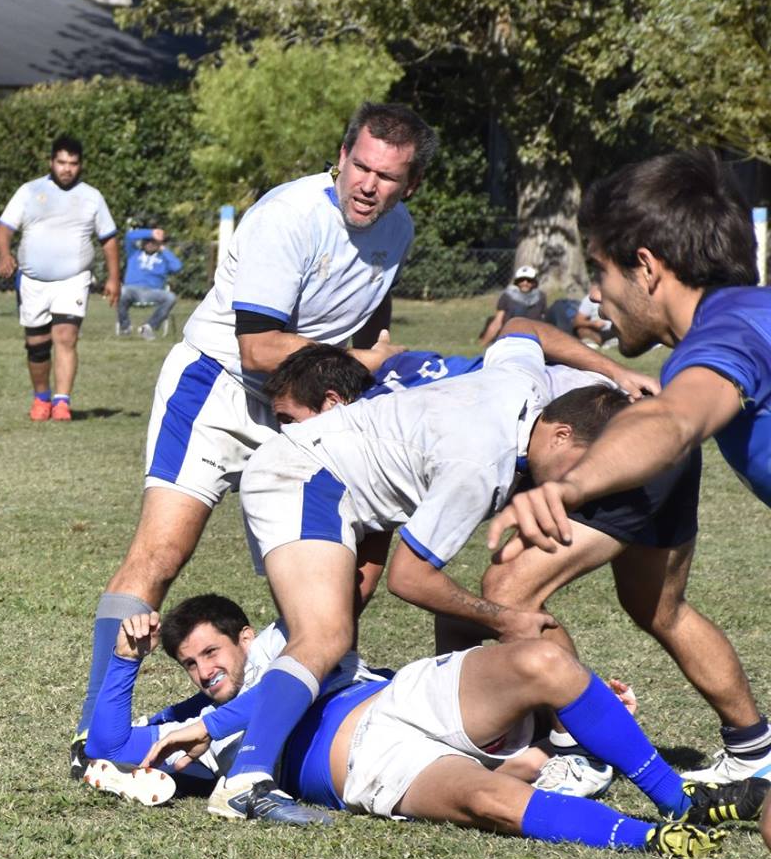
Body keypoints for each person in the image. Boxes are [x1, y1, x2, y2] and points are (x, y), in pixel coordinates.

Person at [71, 103, 434, 780]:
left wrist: (370, 371)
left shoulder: (400, 229)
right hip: (222, 389)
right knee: (161, 551)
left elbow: (371, 327)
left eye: (388, 176)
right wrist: (365, 359)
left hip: (305, 410)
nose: (368, 184)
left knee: (344, 579)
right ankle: (97, 731)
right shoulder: (290, 215)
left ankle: (263, 712)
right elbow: (261, 346)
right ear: (341, 154)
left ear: (409, 185)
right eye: (360, 165)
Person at [276, 335, 765, 796]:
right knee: (659, 607)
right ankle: (753, 749)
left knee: (508, 590)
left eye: (291, 420)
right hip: (656, 437)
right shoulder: (405, 384)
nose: (290, 434)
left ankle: (581, 751)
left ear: (333, 404)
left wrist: (313, 642)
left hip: (609, 448)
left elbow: (397, 571)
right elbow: (520, 329)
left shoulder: (370, 431)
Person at [206, 331, 628, 824]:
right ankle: (246, 780)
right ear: (558, 434)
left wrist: (614, 373)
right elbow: (409, 579)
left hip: (324, 474)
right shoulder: (480, 464)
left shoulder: (524, 381)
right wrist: (505, 619)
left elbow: (520, 330)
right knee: (324, 634)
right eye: (580, 465)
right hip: (305, 472)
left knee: (332, 635)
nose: (577, 483)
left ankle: (486, 735)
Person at [493, 151, 771, 783]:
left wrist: (570, 484)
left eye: (599, 269)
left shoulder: (723, 341)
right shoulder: (755, 311)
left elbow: (673, 420)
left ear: (645, 266)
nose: (595, 293)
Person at [93, 598, 751, 859]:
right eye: (189, 664)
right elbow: (105, 746)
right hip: (373, 764)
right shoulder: (192, 723)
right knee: (487, 803)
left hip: (401, 695)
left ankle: (679, 797)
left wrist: (221, 722)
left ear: (245, 636)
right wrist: (125, 662)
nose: (205, 672)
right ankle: (656, 837)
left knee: (544, 659)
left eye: (213, 653)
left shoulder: (288, 642)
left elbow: (291, 686)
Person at [0, 135, 120, 421]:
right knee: (36, 345)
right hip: (33, 282)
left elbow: (109, 240)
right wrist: (4, 254)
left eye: (73, 164)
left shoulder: (92, 197)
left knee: (65, 336)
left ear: (80, 165)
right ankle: (42, 399)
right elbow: (3, 228)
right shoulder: (29, 191)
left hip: (73, 279)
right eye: (61, 162)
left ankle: (62, 402)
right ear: (51, 162)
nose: (67, 169)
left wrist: (114, 278)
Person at [117, 226, 182, 339]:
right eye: (147, 241)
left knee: (170, 297)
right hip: (132, 289)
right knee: (122, 292)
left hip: (153, 291)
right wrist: (151, 233)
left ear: (159, 244)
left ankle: (148, 327)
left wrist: (163, 250)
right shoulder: (133, 253)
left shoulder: (163, 258)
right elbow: (129, 236)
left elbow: (177, 267)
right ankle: (125, 327)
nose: (150, 244)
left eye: (154, 242)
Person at [478, 263, 545, 344]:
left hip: (532, 335)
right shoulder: (507, 296)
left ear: (534, 282)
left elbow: (543, 320)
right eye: (521, 280)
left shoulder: (540, 297)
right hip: (509, 335)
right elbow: (497, 322)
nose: (525, 283)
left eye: (529, 280)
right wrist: (483, 344)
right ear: (516, 282)